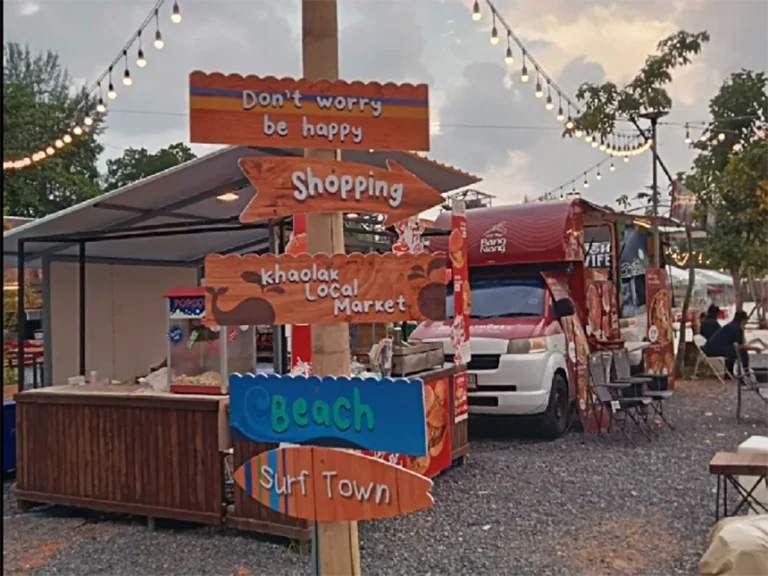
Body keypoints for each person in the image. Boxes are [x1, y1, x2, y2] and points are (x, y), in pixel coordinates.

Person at [703, 310, 763, 374]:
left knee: (733, 350)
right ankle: (746, 371)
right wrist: (755, 348)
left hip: (709, 349)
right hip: (715, 351)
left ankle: (731, 372)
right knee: (742, 352)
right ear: (743, 320)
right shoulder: (737, 328)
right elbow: (739, 346)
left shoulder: (730, 325)